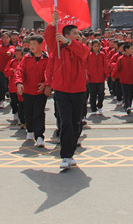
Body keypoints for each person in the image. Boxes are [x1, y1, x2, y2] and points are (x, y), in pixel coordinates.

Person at [44, 11, 89, 170]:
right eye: (74, 33)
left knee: (77, 123)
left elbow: (83, 52)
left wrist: (70, 42)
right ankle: (65, 156)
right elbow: (49, 36)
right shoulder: (57, 49)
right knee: (66, 123)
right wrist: (53, 23)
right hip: (62, 90)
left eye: (78, 33)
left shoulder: (81, 48)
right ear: (66, 35)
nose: (78, 35)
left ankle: (70, 153)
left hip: (79, 90)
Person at [15, 35, 50, 147]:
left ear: (40, 45)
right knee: (28, 112)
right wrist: (19, 83)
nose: (32, 47)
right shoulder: (26, 58)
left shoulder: (47, 58)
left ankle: (40, 136)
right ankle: (30, 130)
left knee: (39, 113)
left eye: (34, 44)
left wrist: (46, 83)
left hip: (40, 92)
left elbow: (49, 73)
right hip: (28, 90)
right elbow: (20, 71)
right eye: (30, 45)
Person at [112, 43, 133, 114]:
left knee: (131, 94)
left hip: (132, 79)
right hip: (124, 79)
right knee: (125, 93)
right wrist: (113, 76)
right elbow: (116, 68)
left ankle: (129, 105)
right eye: (131, 49)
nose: (132, 50)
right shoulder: (121, 59)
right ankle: (127, 106)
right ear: (126, 50)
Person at [4, 45, 25, 125]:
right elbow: (6, 72)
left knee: (21, 103)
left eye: (20, 54)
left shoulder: (25, 61)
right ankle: (15, 113)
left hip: (21, 87)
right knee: (13, 102)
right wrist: (12, 70)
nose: (18, 56)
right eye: (16, 54)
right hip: (12, 86)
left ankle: (21, 117)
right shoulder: (11, 62)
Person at [86, 39, 107, 116]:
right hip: (91, 78)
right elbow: (86, 65)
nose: (96, 48)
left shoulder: (102, 54)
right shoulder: (89, 55)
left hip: (101, 77)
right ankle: (93, 108)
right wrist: (87, 74)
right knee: (93, 94)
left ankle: (100, 105)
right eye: (94, 46)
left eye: (97, 46)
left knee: (101, 93)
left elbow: (105, 64)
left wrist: (106, 74)